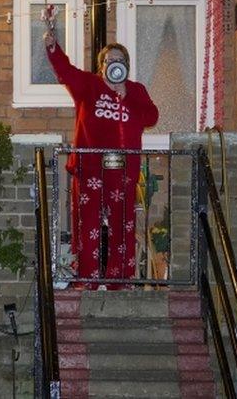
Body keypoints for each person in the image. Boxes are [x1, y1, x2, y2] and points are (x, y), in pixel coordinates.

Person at [44, 29, 158, 288]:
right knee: (89, 226)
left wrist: (128, 96)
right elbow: (65, 71)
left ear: (125, 65)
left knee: (122, 226)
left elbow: (152, 117)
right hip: (90, 168)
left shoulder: (136, 90)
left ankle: (120, 280)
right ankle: (88, 280)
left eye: (118, 59)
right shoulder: (89, 85)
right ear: (101, 64)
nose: (113, 63)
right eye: (108, 59)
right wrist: (53, 48)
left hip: (123, 169)